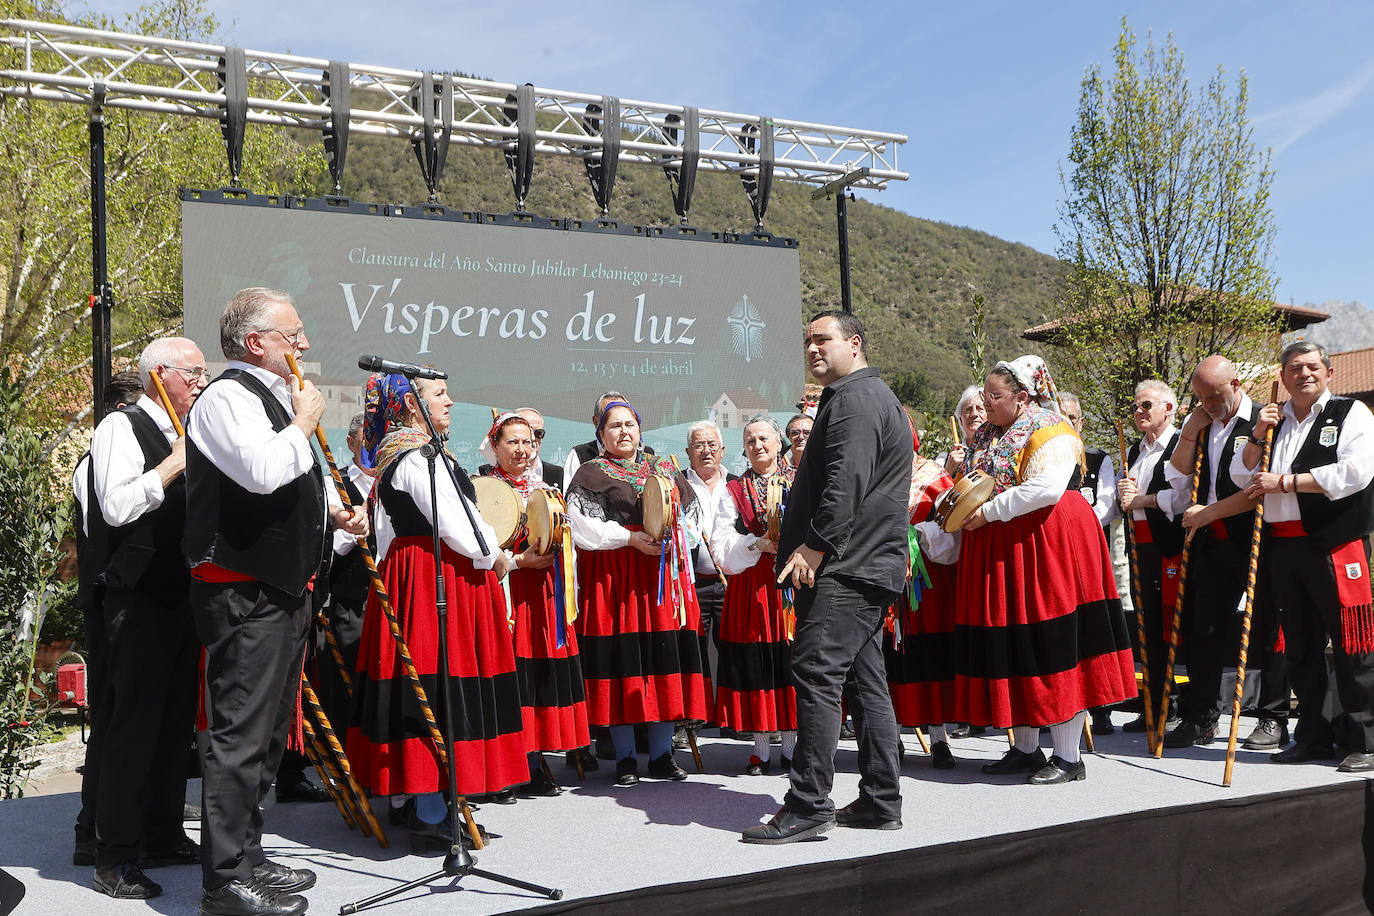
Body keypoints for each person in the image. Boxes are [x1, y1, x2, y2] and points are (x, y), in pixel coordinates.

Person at [185, 288, 368, 916]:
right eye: (294, 334)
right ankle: (224, 880)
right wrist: (302, 423)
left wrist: (333, 519)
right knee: (240, 734)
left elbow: (285, 488)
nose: (306, 345)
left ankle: (249, 857)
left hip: (279, 589)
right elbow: (261, 472)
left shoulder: (264, 398)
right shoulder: (226, 398)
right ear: (255, 341)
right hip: (242, 591)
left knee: (265, 738)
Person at [742, 310, 910, 844]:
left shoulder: (856, 401)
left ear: (853, 344)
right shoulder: (863, 396)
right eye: (807, 341)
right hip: (864, 563)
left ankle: (808, 804)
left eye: (823, 339)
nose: (813, 349)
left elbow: (845, 485)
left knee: (816, 671)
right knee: (864, 683)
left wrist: (814, 548)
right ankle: (881, 800)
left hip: (847, 565)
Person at [346, 374, 527, 847]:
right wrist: (496, 554)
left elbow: (386, 536)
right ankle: (430, 812)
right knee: (439, 684)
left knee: (427, 685)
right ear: (410, 404)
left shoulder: (392, 457)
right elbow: (461, 525)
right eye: (439, 394)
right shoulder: (420, 458)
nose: (450, 400)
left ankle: (425, 804)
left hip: (415, 576)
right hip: (437, 579)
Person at [958, 356, 1136, 784]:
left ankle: (1069, 757)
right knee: (1012, 642)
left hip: (1047, 542)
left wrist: (989, 512)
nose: (986, 403)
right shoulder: (990, 434)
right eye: (985, 394)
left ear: (1022, 397)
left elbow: (1047, 487)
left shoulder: (1050, 430)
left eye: (994, 396)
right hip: (1006, 542)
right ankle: (1024, 748)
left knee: (1053, 640)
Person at [85, 341, 207, 900]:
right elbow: (115, 506)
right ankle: (114, 856)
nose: (203, 381)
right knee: (132, 726)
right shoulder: (121, 427)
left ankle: (161, 832)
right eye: (195, 372)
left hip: (182, 593)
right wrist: (173, 465)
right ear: (162, 375)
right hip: (137, 597)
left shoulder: (193, 428)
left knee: (173, 722)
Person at [1233, 341, 1374, 772]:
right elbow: (1243, 476)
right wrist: (1257, 435)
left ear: (1329, 373)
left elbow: (1356, 472)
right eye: (1295, 368)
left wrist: (1288, 483)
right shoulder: (1272, 421)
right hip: (1283, 546)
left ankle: (1364, 739)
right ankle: (1312, 736)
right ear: (1283, 376)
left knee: (1354, 644)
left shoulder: (1351, 414)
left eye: (1313, 367)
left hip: (1334, 543)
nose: (1304, 374)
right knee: (1299, 647)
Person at [566, 399, 712, 786]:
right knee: (623, 663)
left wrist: (669, 535)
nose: (623, 431)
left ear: (640, 428)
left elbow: (693, 519)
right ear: (601, 434)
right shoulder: (590, 474)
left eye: (629, 424)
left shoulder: (664, 468)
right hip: (617, 580)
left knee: (662, 659)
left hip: (661, 576)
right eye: (614, 426)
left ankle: (662, 754)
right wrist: (629, 538)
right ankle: (627, 758)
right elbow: (583, 530)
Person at [1164, 357, 1290, 749]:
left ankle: (1273, 717)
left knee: (1265, 627)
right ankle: (1201, 715)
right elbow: (1177, 476)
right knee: (1203, 629)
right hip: (1211, 539)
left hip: (1254, 535)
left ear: (1235, 384)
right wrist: (1190, 431)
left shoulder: (1264, 421)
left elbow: (1254, 488)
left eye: (1215, 396)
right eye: (1200, 397)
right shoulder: (1201, 423)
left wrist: (1207, 514)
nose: (1208, 404)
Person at [479, 411, 588, 797]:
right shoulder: (482, 490)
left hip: (543, 597)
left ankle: (534, 759)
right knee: (510, 676)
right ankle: (508, 767)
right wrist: (520, 561)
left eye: (528, 441)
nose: (522, 449)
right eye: (512, 441)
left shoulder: (547, 488)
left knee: (537, 677)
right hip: (508, 596)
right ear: (495, 446)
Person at [71, 370, 143, 869]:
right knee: (112, 717)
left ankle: (116, 824)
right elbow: (109, 521)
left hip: (123, 597)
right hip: (107, 598)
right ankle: (89, 831)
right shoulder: (98, 460)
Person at [709, 417, 797, 774]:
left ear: (779, 442)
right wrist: (756, 543)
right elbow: (720, 542)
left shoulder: (801, 481)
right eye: (750, 440)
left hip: (793, 583)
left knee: (791, 661)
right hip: (752, 587)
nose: (757, 445)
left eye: (763, 438)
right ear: (743, 449)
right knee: (757, 663)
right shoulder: (733, 491)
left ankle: (791, 747)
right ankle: (761, 747)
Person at [1118, 379, 1188, 734]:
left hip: (1170, 547)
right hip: (1139, 546)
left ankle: (1180, 706)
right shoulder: (1134, 450)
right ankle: (1157, 701)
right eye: (1136, 406)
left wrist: (1141, 500)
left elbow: (1181, 496)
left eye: (1146, 405)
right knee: (1147, 623)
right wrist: (1124, 494)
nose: (1139, 412)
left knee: (1172, 624)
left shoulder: (1181, 445)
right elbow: (1125, 502)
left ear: (1168, 408)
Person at [885, 449, 960, 769]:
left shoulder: (933, 476)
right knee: (889, 658)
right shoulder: (872, 472)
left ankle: (939, 738)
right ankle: (891, 739)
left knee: (930, 657)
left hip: (925, 585)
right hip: (884, 578)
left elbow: (952, 528)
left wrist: (916, 534)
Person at [1059, 391, 1122, 735]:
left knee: (1094, 629)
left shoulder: (1098, 459)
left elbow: (1107, 506)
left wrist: (1075, 528)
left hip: (1089, 556)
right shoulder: (1047, 459)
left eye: (1073, 417)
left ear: (1081, 422)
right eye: (1061, 417)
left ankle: (1102, 709)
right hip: (1056, 558)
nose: (1067, 423)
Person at [683, 420, 732, 685]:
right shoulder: (675, 485)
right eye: (699, 445)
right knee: (692, 652)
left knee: (732, 651)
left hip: (730, 584)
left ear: (722, 450)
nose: (706, 450)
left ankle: (731, 720)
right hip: (691, 584)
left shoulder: (736, 485)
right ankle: (693, 721)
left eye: (712, 444)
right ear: (688, 452)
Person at [563, 390, 654, 483]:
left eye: (629, 424)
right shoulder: (581, 455)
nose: (624, 431)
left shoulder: (651, 459)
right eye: (616, 425)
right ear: (597, 423)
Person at [943, 384, 986, 477]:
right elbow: (932, 489)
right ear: (960, 420)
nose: (974, 414)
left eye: (980, 409)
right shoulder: (944, 458)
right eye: (968, 410)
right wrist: (948, 470)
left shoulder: (997, 452)